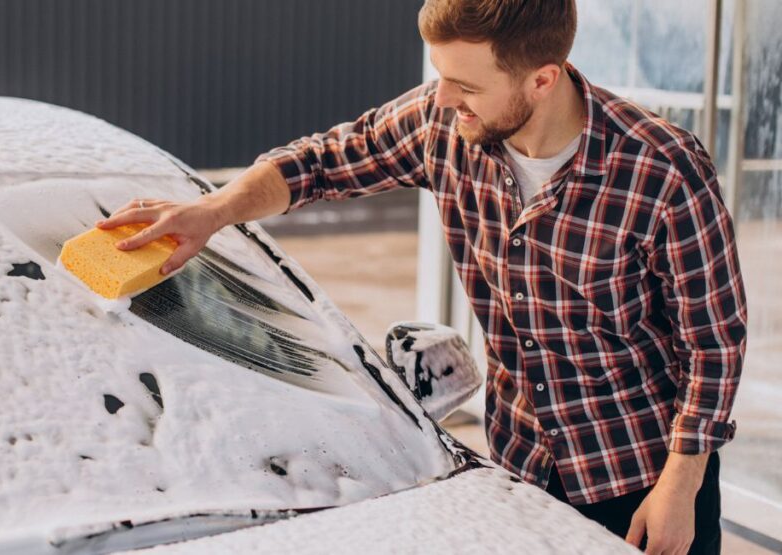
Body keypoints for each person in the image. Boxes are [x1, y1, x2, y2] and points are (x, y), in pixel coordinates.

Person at [96, 1, 747, 553]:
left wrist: (679, 487)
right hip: (523, 471)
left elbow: (714, 345)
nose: (441, 98)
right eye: (440, 77)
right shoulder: (445, 124)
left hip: (644, 480)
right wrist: (214, 210)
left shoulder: (660, 170)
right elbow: (324, 162)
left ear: (542, 80)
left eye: (464, 85)